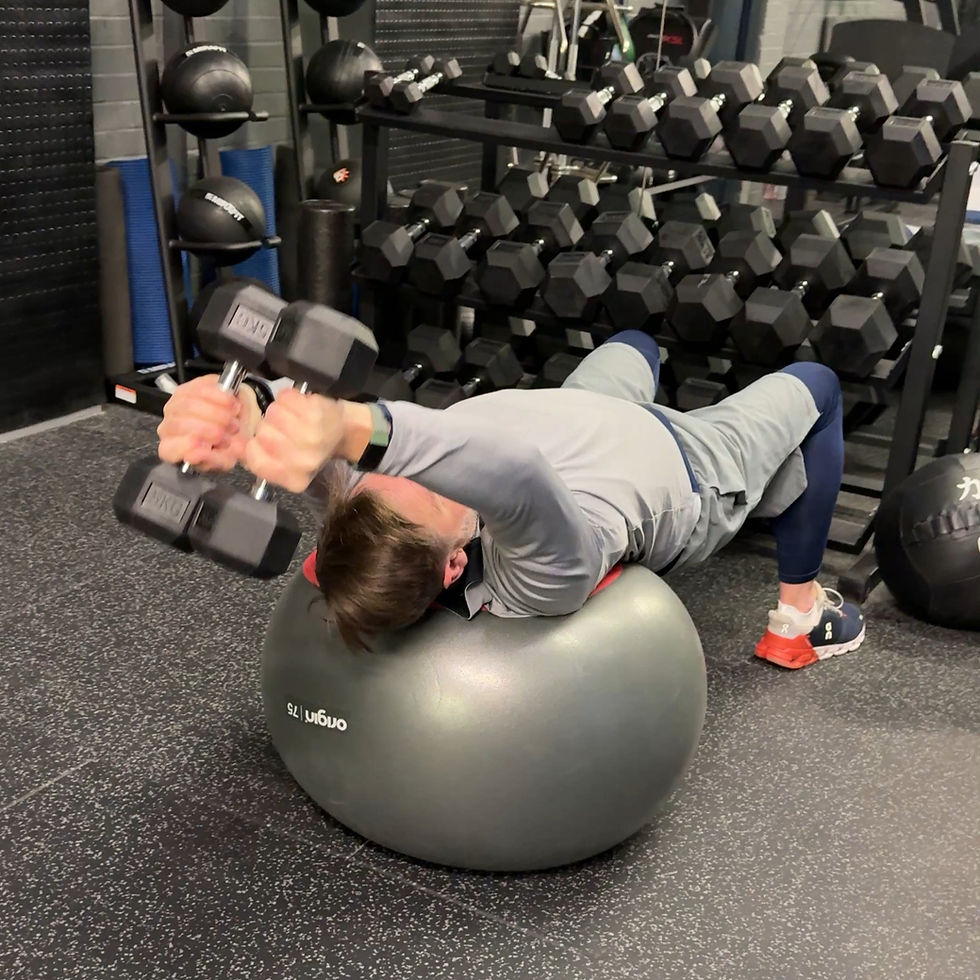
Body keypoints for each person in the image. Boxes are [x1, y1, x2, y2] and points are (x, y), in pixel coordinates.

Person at [157, 330, 865, 669]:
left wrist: (248, 405)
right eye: (427, 493)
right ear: (455, 567)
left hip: (579, 411)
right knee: (818, 381)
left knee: (637, 342)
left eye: (374, 482)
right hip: (692, 467)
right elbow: (515, 471)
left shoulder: (373, 504)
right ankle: (797, 621)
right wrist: (354, 424)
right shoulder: (538, 575)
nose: (414, 476)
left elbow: (307, 443)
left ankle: (780, 493)